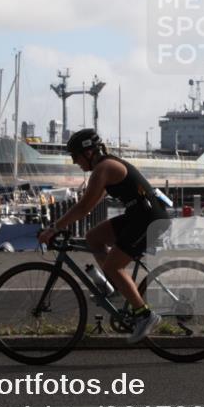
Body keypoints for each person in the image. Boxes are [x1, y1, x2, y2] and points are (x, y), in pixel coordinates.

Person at [37, 129, 171, 343]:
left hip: (149, 219)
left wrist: (54, 227)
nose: (75, 162)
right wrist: (64, 225)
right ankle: (118, 289)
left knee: (112, 266)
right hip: (137, 215)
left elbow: (83, 207)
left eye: (76, 157)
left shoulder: (104, 169)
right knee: (93, 238)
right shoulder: (104, 167)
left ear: (88, 152)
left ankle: (145, 316)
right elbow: (90, 205)